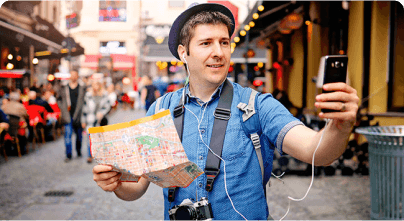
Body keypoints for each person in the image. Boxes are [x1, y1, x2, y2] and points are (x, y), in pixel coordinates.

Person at [92, 3, 359, 220]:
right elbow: (136, 188)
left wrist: (340, 126)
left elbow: (318, 151)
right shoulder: (159, 110)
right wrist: (115, 183)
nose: (219, 52)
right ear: (184, 53)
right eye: (206, 43)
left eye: (224, 42)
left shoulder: (257, 106)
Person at [57, 69, 87, 162]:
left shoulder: (82, 87)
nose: (73, 77)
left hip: (78, 114)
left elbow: (85, 100)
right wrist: (62, 108)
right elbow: (58, 99)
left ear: (77, 76)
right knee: (68, 135)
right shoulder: (64, 87)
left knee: (79, 136)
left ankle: (78, 151)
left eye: (75, 75)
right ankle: (68, 154)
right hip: (67, 114)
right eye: (72, 75)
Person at [81, 80, 111, 164]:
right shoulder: (88, 95)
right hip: (90, 120)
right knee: (90, 138)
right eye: (93, 85)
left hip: (101, 120)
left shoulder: (104, 95)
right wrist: (83, 120)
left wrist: (102, 113)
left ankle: (101, 156)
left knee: (101, 138)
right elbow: (84, 108)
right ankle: (89, 155)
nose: (95, 87)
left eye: (96, 85)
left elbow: (108, 106)